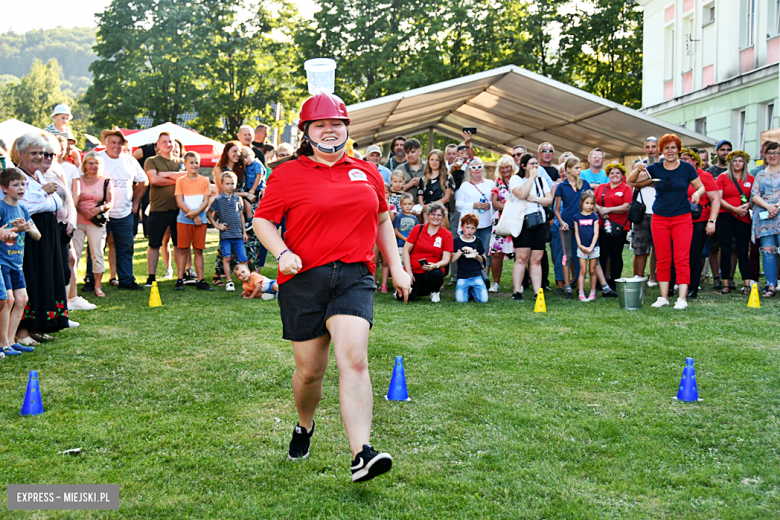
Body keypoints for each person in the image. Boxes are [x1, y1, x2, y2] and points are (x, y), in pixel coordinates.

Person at [253, 91, 409, 482]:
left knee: (354, 359)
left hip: (354, 277)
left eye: (335, 123)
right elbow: (263, 221)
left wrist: (398, 266)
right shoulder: (287, 173)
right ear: (307, 131)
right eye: (320, 124)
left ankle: (361, 454)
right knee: (310, 373)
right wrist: (282, 251)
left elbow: (383, 221)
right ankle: (305, 425)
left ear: (346, 129)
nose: (329, 130)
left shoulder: (367, 171)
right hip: (303, 279)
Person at [628, 133, 704, 309]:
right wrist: (638, 168)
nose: (670, 151)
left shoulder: (687, 168)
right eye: (666, 148)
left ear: (678, 149)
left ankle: (682, 298)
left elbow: (700, 186)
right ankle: (663, 297)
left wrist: (697, 194)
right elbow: (631, 181)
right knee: (663, 258)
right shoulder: (655, 168)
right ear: (661, 150)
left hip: (682, 217)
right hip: (660, 217)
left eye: (673, 147)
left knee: (682, 258)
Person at [11, 133, 70, 346]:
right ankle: (23, 330)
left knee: (45, 276)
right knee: (31, 277)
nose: (39, 157)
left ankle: (38, 326)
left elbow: (55, 203)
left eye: (41, 153)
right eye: (33, 153)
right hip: (28, 234)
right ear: (21, 153)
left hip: (47, 232)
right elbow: (20, 206)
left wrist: (45, 196)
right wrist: (43, 195)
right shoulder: (15, 175)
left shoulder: (38, 175)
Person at [98, 129, 148, 290]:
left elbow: (143, 181)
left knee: (126, 247)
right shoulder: (98, 158)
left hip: (124, 212)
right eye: (113, 142)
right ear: (106, 143)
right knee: (97, 248)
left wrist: (136, 203)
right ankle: (92, 281)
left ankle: (126, 280)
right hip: (100, 213)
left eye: (120, 143)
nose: (117, 146)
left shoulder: (130, 160)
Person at [0, 168, 39, 356]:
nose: (21, 187)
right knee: (8, 301)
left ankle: (11, 339)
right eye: (15, 185)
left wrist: (26, 228)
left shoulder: (23, 209)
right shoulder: (1, 207)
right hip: (3, 262)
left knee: (22, 299)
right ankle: (4, 343)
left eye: (23, 184)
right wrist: (16, 229)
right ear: (4, 188)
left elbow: (37, 235)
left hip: (17, 263)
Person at [143, 132, 185, 286]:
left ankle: (180, 277)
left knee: (179, 244)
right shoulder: (151, 161)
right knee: (154, 244)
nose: (168, 144)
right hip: (158, 209)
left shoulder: (181, 162)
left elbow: (188, 177)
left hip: (179, 209)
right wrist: (177, 179)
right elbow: (153, 180)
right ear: (158, 145)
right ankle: (151, 277)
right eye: (164, 142)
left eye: (170, 141)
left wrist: (167, 175)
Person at [509, 153, 553, 301]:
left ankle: (537, 292)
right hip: (522, 221)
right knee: (521, 257)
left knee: (537, 258)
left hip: (539, 222)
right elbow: (521, 194)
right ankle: (517, 291)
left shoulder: (541, 180)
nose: (535, 167)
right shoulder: (516, 179)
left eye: (536, 164)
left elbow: (549, 200)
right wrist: (531, 178)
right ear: (523, 166)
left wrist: (536, 199)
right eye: (532, 164)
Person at [679, 148, 720, 299]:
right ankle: (675, 285)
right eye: (682, 159)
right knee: (679, 254)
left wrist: (712, 220)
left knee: (694, 254)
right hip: (679, 219)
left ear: (695, 161)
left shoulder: (704, 176)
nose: (684, 162)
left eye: (687, 159)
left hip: (699, 220)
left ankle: (692, 288)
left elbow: (715, 199)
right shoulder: (678, 175)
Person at [73, 151, 114, 298]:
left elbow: (110, 202)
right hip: (78, 220)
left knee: (97, 253)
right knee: (74, 254)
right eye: (90, 163)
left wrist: (99, 209)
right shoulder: (77, 179)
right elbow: (73, 199)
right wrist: (82, 211)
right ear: (84, 165)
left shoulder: (106, 181)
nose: (93, 166)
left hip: (96, 222)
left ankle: (97, 286)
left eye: (97, 163)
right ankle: (72, 287)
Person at [715, 150, 755, 295]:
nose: (738, 163)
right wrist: (734, 209)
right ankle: (725, 283)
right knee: (725, 250)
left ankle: (747, 284)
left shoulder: (751, 179)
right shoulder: (723, 177)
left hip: (743, 217)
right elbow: (718, 198)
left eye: (741, 161)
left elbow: (754, 198)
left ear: (744, 163)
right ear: (731, 162)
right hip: (726, 217)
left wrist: (747, 206)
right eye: (735, 161)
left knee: (743, 251)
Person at [174, 151, 213, 292]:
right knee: (183, 249)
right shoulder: (181, 181)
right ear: (184, 164)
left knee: (198, 250)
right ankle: (180, 279)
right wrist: (192, 215)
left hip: (200, 221)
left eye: (196, 162)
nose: (194, 165)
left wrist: (197, 214)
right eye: (191, 162)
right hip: (184, 220)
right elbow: (179, 201)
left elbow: (205, 201)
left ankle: (201, 280)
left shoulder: (204, 180)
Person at [555, 156, 590, 299]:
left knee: (581, 255)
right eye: (576, 168)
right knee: (566, 256)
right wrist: (561, 222)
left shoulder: (585, 184)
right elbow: (557, 210)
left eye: (580, 168)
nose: (579, 170)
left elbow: (590, 205)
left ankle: (581, 287)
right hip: (567, 226)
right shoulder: (561, 187)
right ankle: (567, 287)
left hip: (582, 226)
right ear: (568, 169)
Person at [402, 203, 452, 303]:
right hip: (414, 270)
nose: (435, 217)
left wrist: (435, 265)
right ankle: (405, 289)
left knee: (437, 274)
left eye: (439, 215)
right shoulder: (418, 229)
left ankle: (435, 292)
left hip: (432, 271)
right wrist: (409, 272)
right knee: (406, 298)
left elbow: (446, 259)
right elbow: (405, 251)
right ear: (428, 216)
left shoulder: (447, 235)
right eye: (433, 214)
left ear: (443, 218)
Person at [593, 163, 632, 287]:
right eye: (612, 173)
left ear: (622, 175)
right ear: (608, 175)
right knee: (602, 253)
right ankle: (602, 281)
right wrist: (600, 210)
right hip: (601, 225)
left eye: (618, 173)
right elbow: (593, 202)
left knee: (615, 254)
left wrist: (608, 210)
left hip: (618, 226)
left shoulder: (626, 189)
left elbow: (626, 206)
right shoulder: (601, 187)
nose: (615, 175)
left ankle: (615, 281)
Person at [208, 171, 248, 292]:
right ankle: (229, 281)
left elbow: (241, 215)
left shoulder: (238, 199)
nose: (230, 186)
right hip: (226, 235)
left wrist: (244, 232)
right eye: (227, 183)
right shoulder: (218, 200)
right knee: (227, 258)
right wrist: (216, 225)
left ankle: (248, 279)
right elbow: (209, 213)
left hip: (238, 234)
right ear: (222, 184)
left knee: (243, 258)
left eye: (232, 183)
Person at [751, 141, 780, 297]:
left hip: (779, 213)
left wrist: (777, 206)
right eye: (770, 152)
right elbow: (754, 195)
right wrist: (769, 207)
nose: (772, 155)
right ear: (765, 155)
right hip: (765, 218)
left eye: (776, 152)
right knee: (768, 251)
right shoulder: (760, 174)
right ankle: (770, 286)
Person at [629, 137, 659, 286]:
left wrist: (644, 181)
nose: (651, 150)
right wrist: (652, 180)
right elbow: (632, 182)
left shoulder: (663, 164)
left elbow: (664, 181)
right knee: (640, 248)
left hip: (660, 212)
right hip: (642, 211)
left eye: (654, 146)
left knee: (660, 248)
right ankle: (639, 281)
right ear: (644, 149)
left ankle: (657, 278)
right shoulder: (640, 165)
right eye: (648, 147)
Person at [455, 157, 493, 266]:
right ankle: (470, 275)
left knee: (485, 251)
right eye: (473, 167)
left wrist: (489, 204)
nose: (477, 169)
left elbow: (496, 200)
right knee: (468, 250)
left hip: (487, 223)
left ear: (483, 169)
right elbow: (458, 204)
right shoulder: (465, 185)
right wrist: (473, 205)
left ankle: (484, 278)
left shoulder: (490, 183)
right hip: (470, 224)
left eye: (479, 167)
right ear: (469, 170)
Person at [488, 155, 516, 292]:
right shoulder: (497, 183)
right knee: (497, 253)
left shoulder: (518, 180)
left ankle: (520, 283)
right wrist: (509, 208)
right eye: (502, 168)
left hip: (517, 220)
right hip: (500, 220)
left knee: (520, 253)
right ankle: (495, 282)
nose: (505, 170)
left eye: (507, 167)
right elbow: (495, 202)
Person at [451, 213, 488, 303]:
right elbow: (452, 259)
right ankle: (468, 291)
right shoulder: (457, 241)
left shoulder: (478, 241)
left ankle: (472, 291)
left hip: (476, 275)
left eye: (472, 228)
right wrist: (462, 249)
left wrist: (476, 256)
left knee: (483, 300)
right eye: (467, 227)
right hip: (463, 276)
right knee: (460, 300)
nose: (469, 231)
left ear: (476, 229)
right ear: (462, 227)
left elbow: (484, 259)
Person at [574, 191, 600, 301]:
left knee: (592, 270)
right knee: (583, 270)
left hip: (593, 248)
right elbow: (576, 232)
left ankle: (593, 292)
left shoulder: (595, 217)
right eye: (587, 203)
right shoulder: (577, 217)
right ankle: (581, 292)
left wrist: (591, 247)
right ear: (581, 203)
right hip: (582, 248)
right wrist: (580, 245)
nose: (589, 206)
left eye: (591, 203)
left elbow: (596, 233)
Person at [418, 149, 454, 223]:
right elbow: (420, 197)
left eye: (437, 160)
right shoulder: (423, 178)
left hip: (441, 213)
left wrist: (430, 206)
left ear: (441, 162)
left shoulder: (447, 177)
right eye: (432, 160)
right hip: (426, 214)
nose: (434, 162)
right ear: (428, 161)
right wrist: (424, 208)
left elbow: (446, 198)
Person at [393, 193, 418, 265]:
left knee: (411, 263)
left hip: (412, 246)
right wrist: (406, 239)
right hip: (401, 245)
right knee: (401, 263)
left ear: (413, 205)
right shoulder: (398, 216)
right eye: (405, 204)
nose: (407, 206)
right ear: (400, 205)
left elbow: (417, 231)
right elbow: (396, 231)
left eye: (409, 204)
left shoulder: (414, 218)